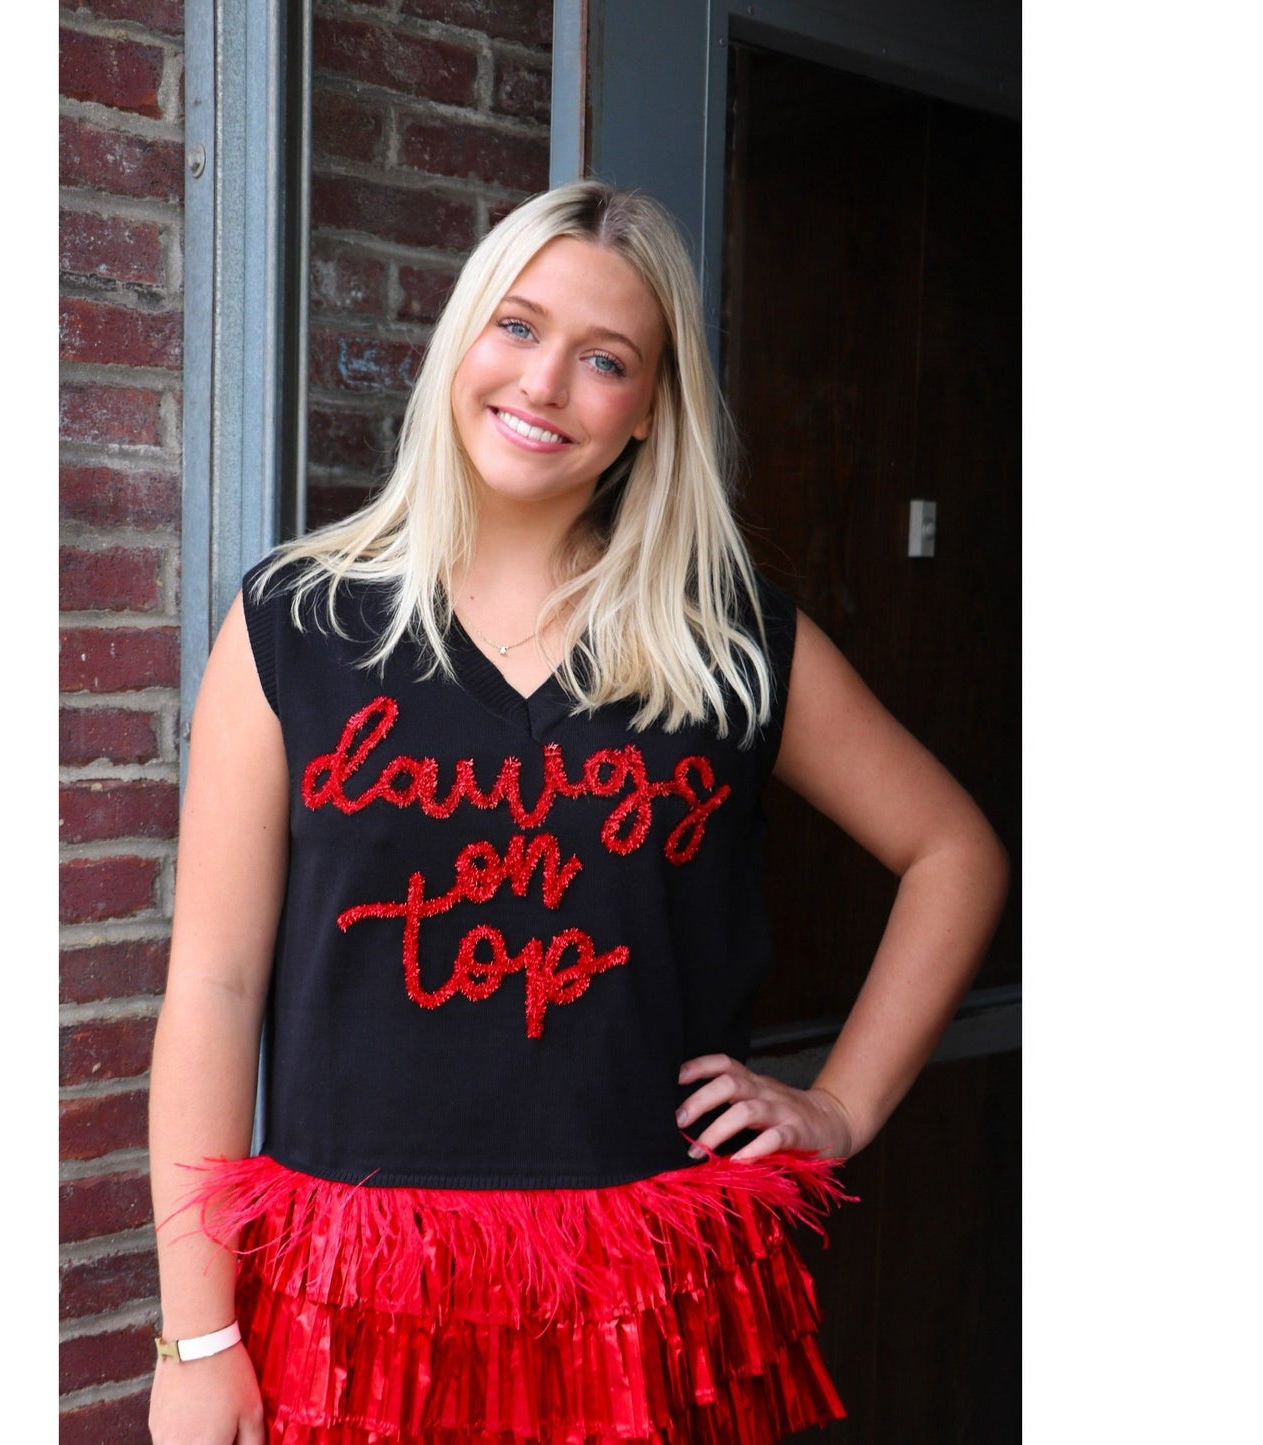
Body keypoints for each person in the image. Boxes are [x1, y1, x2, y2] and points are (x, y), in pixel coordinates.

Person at [147, 180, 1009, 1445]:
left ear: (649, 410)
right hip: (354, 1298)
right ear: (460, 343)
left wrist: (840, 1102)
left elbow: (953, 852)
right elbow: (214, 985)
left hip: (641, 1299)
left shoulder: (728, 639)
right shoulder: (296, 618)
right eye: (516, 328)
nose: (543, 383)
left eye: (602, 359)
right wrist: (196, 1335)